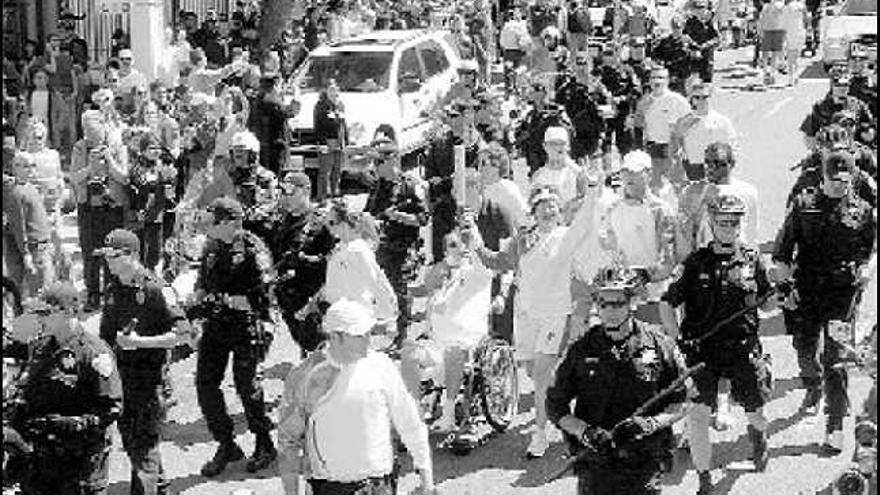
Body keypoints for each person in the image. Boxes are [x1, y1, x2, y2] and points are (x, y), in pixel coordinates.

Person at [472, 182, 602, 458]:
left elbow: (586, 221)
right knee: (533, 373)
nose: (548, 209)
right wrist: (475, 241)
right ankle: (566, 395)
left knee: (541, 375)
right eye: (542, 205)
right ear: (533, 210)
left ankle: (539, 435)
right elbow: (497, 262)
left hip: (556, 315)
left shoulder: (566, 237)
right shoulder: (524, 239)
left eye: (552, 204)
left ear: (559, 210)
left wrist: (592, 191)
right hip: (526, 315)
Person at [661, 193, 776, 495]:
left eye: (734, 221)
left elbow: (768, 306)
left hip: (743, 350)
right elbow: (666, 303)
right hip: (702, 353)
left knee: (756, 412)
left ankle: (759, 439)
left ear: (741, 223)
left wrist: (779, 295)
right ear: (712, 223)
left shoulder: (753, 260)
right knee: (698, 414)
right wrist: (676, 341)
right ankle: (704, 478)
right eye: (722, 221)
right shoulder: (695, 262)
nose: (728, 227)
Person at [547, 266, 691, 495]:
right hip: (595, 464)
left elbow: (682, 402)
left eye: (618, 303)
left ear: (632, 303)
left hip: (644, 462)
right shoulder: (579, 349)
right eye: (603, 303)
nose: (610, 310)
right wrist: (585, 432)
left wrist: (652, 424)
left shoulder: (660, 345)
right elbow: (555, 406)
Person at [772, 151, 876, 453]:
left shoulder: (863, 211)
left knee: (836, 357)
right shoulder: (804, 206)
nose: (840, 186)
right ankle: (813, 385)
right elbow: (782, 252)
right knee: (804, 348)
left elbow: (869, 250)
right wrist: (783, 284)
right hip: (806, 291)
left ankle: (835, 426)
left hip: (842, 296)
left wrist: (866, 269)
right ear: (823, 177)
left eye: (846, 181)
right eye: (834, 180)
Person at [277, 299, 436, 495]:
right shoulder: (306, 376)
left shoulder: (381, 366)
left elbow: (409, 422)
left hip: (378, 486)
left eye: (368, 332)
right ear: (335, 336)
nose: (368, 340)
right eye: (359, 335)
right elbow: (288, 441)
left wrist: (427, 480)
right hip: (328, 488)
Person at [4, 281, 123, 495]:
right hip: (41, 462)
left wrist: (71, 425)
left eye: (46, 314)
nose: (40, 320)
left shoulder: (93, 352)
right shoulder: (40, 347)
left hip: (80, 466)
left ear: (68, 313)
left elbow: (111, 408)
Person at [96, 229, 190, 495]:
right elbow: (106, 337)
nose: (108, 262)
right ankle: (161, 488)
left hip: (150, 383)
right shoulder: (113, 289)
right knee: (133, 445)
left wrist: (140, 343)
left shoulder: (158, 289)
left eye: (114, 256)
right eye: (106, 256)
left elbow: (183, 336)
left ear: (132, 255)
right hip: (123, 380)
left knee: (144, 451)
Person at [192, 197, 277, 477]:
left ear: (230, 223)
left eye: (214, 221)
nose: (208, 227)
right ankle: (226, 443)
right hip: (217, 324)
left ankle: (264, 443)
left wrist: (244, 301)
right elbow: (203, 280)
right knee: (205, 383)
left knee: (246, 387)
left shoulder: (254, 249)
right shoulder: (212, 245)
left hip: (246, 326)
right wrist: (199, 296)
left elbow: (265, 294)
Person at [365, 144, 429, 342]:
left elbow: (423, 219)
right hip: (382, 247)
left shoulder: (410, 186)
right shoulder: (378, 186)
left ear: (393, 161)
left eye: (379, 162)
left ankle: (402, 339)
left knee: (400, 291)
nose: (375, 166)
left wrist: (399, 216)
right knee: (383, 291)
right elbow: (369, 213)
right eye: (374, 162)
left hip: (404, 247)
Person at [70, 108, 130, 310]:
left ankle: (112, 293)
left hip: (111, 207)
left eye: (93, 131)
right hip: (88, 207)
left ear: (104, 126)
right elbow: (74, 178)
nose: (90, 136)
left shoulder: (118, 146)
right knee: (90, 252)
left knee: (113, 251)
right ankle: (93, 294)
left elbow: (124, 177)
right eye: (86, 130)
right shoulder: (79, 148)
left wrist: (109, 160)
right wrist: (90, 166)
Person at [271, 170, 336, 354]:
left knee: (321, 348)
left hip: (313, 299)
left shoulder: (321, 222)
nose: (286, 196)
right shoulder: (282, 221)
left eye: (291, 191)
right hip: (288, 298)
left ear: (306, 190)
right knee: (305, 343)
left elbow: (335, 260)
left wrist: (319, 298)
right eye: (283, 191)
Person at [321, 199, 397, 328]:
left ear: (345, 223)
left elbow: (375, 281)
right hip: (338, 313)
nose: (328, 227)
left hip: (354, 315)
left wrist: (388, 315)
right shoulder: (341, 247)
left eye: (331, 222)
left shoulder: (357, 250)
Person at [636, 67, 692, 190]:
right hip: (652, 148)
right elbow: (638, 124)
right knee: (654, 187)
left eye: (661, 77)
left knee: (678, 186)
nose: (657, 81)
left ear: (667, 80)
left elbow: (691, 122)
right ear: (649, 81)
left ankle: (682, 208)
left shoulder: (677, 100)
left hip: (673, 148)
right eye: (654, 77)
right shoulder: (644, 101)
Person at [128, 133, 178, 270]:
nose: (156, 151)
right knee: (140, 249)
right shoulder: (136, 169)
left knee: (156, 250)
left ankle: (153, 277)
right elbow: (135, 190)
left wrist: (169, 183)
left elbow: (171, 192)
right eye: (151, 148)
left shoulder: (164, 167)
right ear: (143, 150)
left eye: (158, 148)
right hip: (141, 215)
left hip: (159, 214)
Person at [671, 82, 739, 182]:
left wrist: (729, 165)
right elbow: (675, 148)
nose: (701, 101)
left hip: (718, 168)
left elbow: (733, 145)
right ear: (692, 99)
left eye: (705, 97)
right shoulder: (684, 122)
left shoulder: (723, 121)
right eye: (697, 97)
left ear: (710, 97)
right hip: (694, 169)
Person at [799, 74, 874, 150]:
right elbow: (809, 133)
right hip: (828, 149)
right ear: (832, 87)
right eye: (838, 85)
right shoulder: (820, 107)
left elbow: (868, 127)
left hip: (852, 148)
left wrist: (865, 133)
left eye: (845, 85)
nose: (842, 88)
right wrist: (815, 148)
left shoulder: (857, 104)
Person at [248, 73, 301, 174]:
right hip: (274, 148)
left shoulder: (256, 101)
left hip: (261, 146)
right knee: (275, 178)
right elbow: (291, 111)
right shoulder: (272, 103)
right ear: (274, 86)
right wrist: (296, 94)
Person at [313, 78, 347, 201]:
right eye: (330, 89)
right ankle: (322, 198)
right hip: (327, 141)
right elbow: (318, 125)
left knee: (337, 170)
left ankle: (335, 195)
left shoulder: (339, 104)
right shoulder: (321, 106)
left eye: (335, 89)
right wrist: (321, 142)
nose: (333, 92)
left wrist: (345, 141)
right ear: (325, 91)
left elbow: (343, 124)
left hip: (339, 141)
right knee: (324, 171)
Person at [683, 0, 720, 82]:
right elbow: (685, 34)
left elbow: (717, 38)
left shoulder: (711, 20)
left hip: (706, 51)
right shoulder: (690, 21)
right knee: (692, 76)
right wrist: (691, 43)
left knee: (706, 76)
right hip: (693, 51)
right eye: (697, 8)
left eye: (702, 7)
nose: (699, 10)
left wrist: (706, 44)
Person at [757, 0, 787, 84]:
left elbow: (761, 20)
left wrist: (759, 32)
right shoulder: (781, 6)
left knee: (766, 53)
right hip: (777, 30)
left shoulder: (766, 7)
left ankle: (766, 72)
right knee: (775, 53)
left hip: (768, 30)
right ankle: (772, 73)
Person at [780, 0, 807, 86]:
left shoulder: (785, 8)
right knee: (796, 56)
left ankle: (792, 78)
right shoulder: (801, 6)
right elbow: (807, 18)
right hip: (800, 32)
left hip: (790, 33)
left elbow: (782, 23)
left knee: (791, 57)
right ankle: (796, 76)